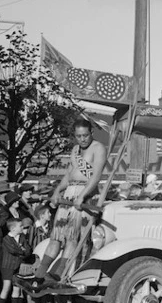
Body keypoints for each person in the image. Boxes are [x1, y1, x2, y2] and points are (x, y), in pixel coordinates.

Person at [23, 118, 107, 291]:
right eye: (79, 136)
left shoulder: (98, 148)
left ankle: (59, 275)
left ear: (91, 133)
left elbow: (96, 176)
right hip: (69, 193)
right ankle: (39, 276)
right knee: (56, 237)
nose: (82, 139)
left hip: (85, 193)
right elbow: (69, 175)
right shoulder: (75, 150)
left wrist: (82, 196)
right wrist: (56, 192)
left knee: (72, 238)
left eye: (85, 135)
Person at [0, 217, 32, 303]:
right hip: (8, 266)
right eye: (20, 226)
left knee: (17, 287)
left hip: (19, 265)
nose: (22, 227)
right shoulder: (6, 239)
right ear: (13, 228)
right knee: (6, 287)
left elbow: (28, 250)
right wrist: (22, 250)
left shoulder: (22, 237)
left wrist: (22, 251)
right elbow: (12, 250)